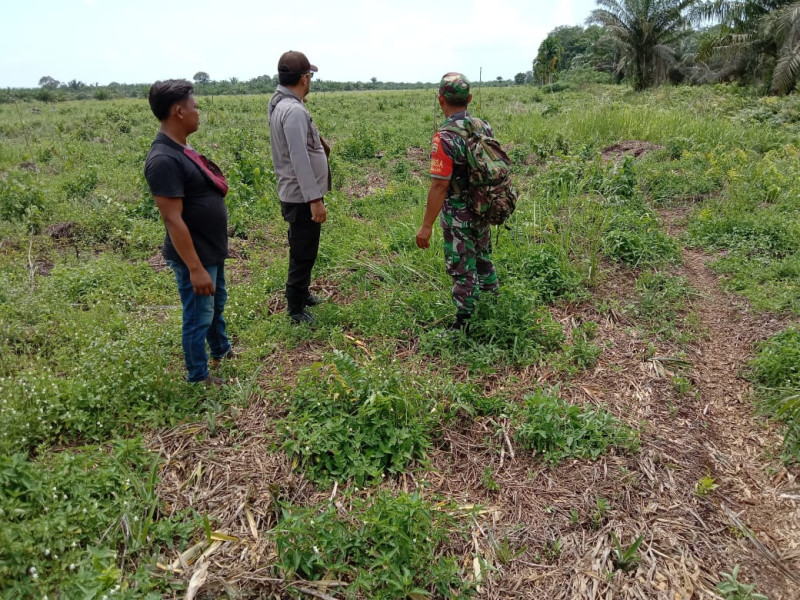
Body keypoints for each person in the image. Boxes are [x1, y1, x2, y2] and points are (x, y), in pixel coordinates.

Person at [144, 79, 232, 385]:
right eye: (195, 106)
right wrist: (195, 268)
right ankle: (198, 376)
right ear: (179, 112)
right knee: (198, 315)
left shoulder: (181, 148)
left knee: (215, 304)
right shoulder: (163, 160)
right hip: (194, 255)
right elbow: (172, 220)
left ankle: (221, 350)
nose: (198, 112)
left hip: (210, 248)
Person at [416, 72, 499, 331]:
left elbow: (440, 185)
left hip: (458, 212)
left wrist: (426, 226)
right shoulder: (483, 126)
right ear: (469, 98)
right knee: (482, 255)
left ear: (440, 99)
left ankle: (465, 322)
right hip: (483, 205)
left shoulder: (445, 137)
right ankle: (492, 301)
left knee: (462, 265)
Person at [268, 50, 330, 324]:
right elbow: (299, 158)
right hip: (301, 196)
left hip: (298, 193)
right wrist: (314, 199)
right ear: (305, 78)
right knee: (302, 252)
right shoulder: (292, 110)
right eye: (310, 76)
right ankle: (295, 307)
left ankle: (302, 293)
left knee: (305, 247)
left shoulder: (282, 103)